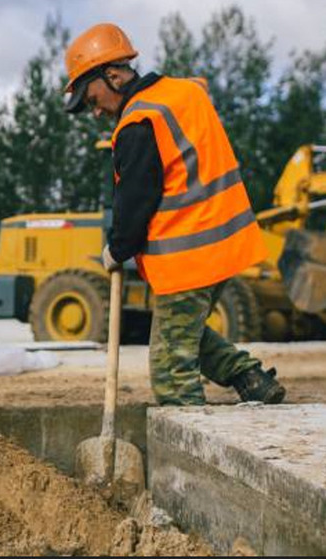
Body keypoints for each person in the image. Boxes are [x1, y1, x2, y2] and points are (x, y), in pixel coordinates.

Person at [63, 23, 286, 407]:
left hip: (189, 254)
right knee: (183, 332)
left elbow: (137, 198)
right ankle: (249, 378)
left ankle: (190, 450)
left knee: (169, 365)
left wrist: (117, 249)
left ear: (112, 75)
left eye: (91, 96)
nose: (94, 110)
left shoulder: (138, 122)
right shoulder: (184, 93)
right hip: (224, 243)